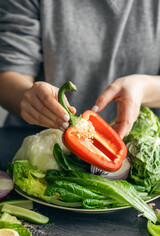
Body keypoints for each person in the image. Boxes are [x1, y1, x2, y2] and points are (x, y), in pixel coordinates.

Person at [0, 0, 160, 139]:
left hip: (136, 150)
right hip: (36, 143)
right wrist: (28, 97)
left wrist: (144, 88)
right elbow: (9, 70)